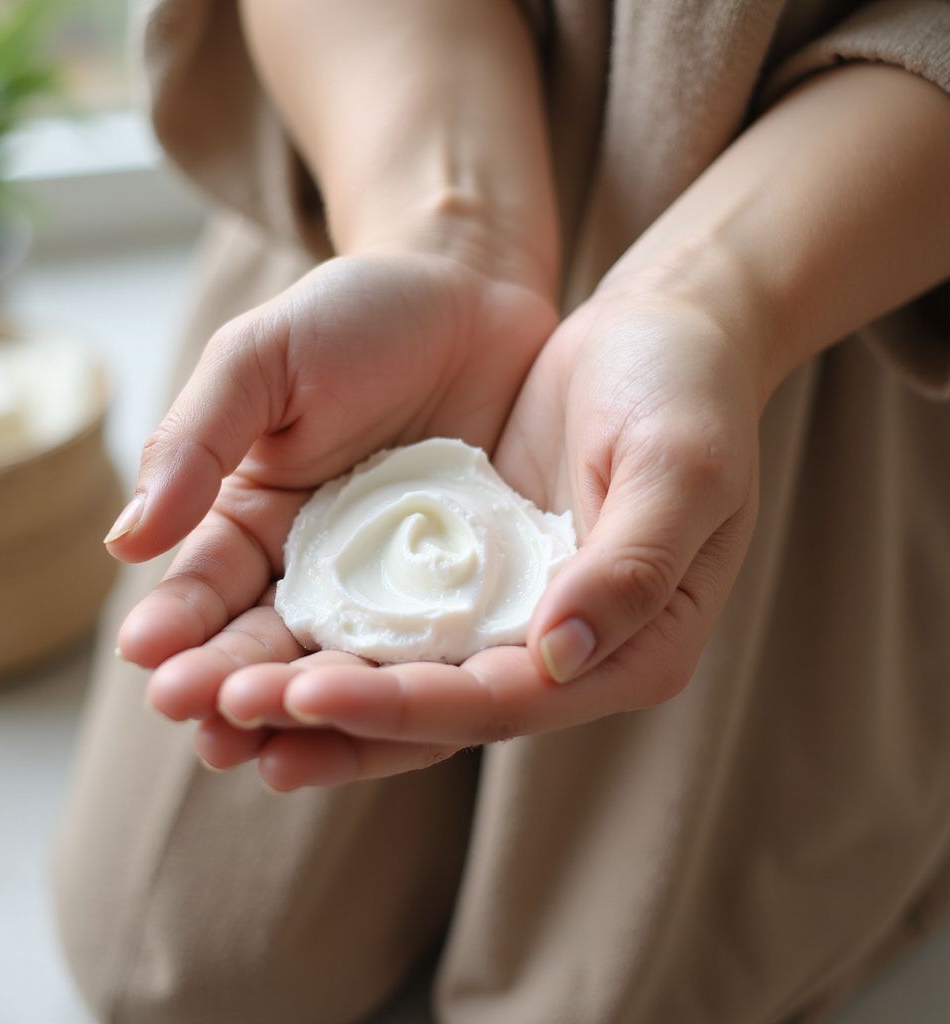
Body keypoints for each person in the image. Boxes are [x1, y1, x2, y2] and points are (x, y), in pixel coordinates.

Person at [52, 1, 950, 1021]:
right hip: (391, 153)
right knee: (179, 953)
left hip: (826, 274)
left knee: (608, 985)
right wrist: (449, 228)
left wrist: (712, 298)